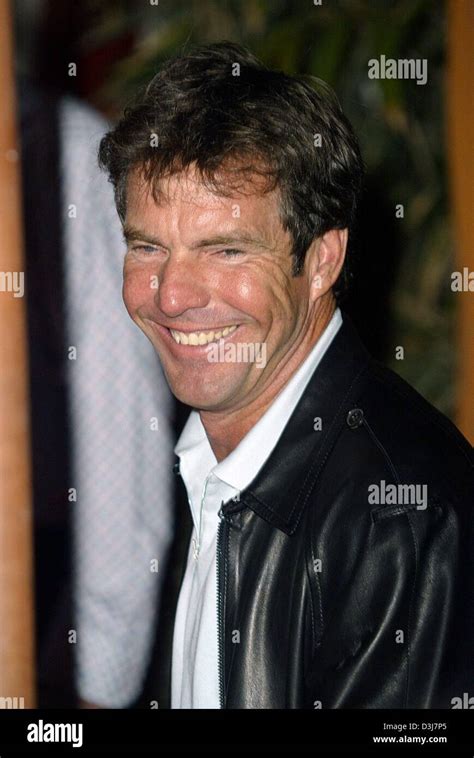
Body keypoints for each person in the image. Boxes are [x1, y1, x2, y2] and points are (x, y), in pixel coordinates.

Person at [97, 41, 474, 709]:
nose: (173, 294)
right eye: (147, 246)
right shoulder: (184, 470)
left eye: (226, 250)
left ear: (323, 261)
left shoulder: (404, 524)